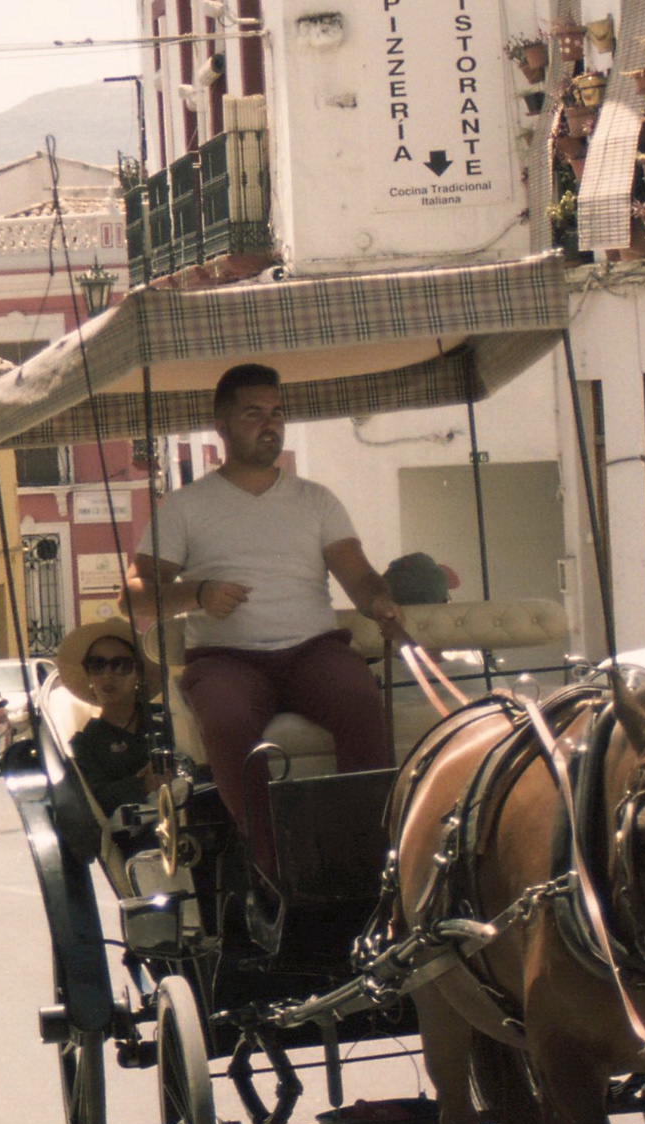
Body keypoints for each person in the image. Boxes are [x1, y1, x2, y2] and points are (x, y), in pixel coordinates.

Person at [127, 362, 406, 871]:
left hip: (313, 651)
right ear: (223, 425)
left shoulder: (316, 500)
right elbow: (135, 597)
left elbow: (359, 576)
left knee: (362, 701)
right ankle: (273, 866)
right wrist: (198, 594)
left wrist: (379, 601)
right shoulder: (185, 507)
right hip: (226, 660)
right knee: (227, 718)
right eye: (254, 413)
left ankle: (365, 857)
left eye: (277, 412)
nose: (270, 424)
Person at [54, 619, 166, 811]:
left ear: (138, 673)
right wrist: (141, 784)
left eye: (121, 665)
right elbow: (92, 803)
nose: (108, 675)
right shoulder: (84, 745)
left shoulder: (167, 723)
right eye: (97, 665)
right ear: (88, 675)